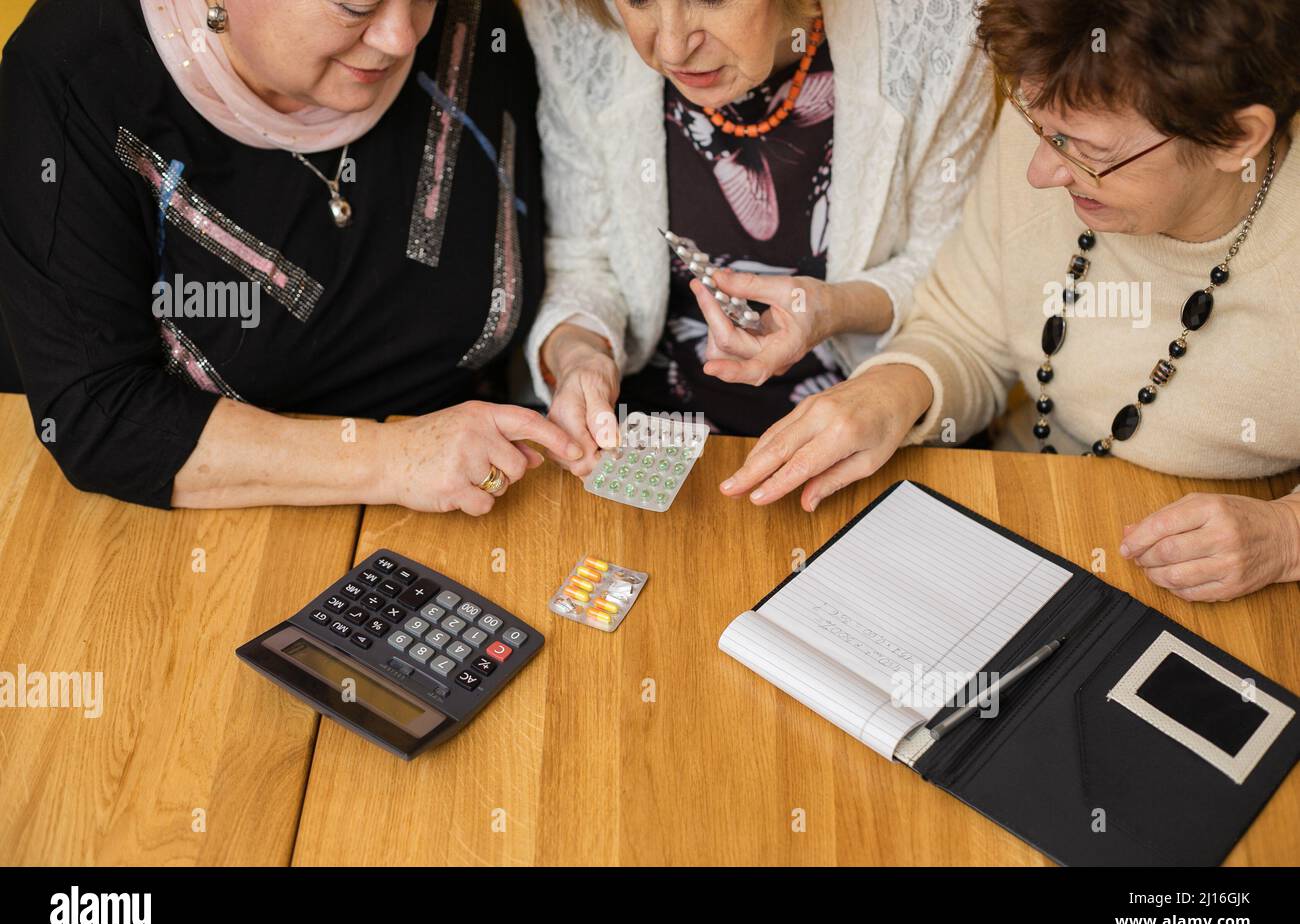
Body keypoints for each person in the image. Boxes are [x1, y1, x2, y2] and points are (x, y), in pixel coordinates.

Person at [722, 0, 1300, 602]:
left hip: (1226, 582)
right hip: (1026, 514)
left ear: (1236, 137)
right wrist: (890, 391)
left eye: (1083, 150)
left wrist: (1285, 535)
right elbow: (966, 331)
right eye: (1035, 125)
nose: (1040, 173)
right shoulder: (1065, 106)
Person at [0, 0, 582, 512]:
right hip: (203, 545)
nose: (402, 37)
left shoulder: (472, 26)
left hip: (477, 505)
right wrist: (395, 460)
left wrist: (576, 346)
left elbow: (571, 257)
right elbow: (98, 415)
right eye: (356, 6)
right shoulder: (78, 68)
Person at [522, 0, 995, 470]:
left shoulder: (942, 23)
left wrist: (834, 308)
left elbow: (953, 279)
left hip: (862, 427)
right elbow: (582, 261)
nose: (671, 47)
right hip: (646, 431)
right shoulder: (573, 21)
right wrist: (579, 354)